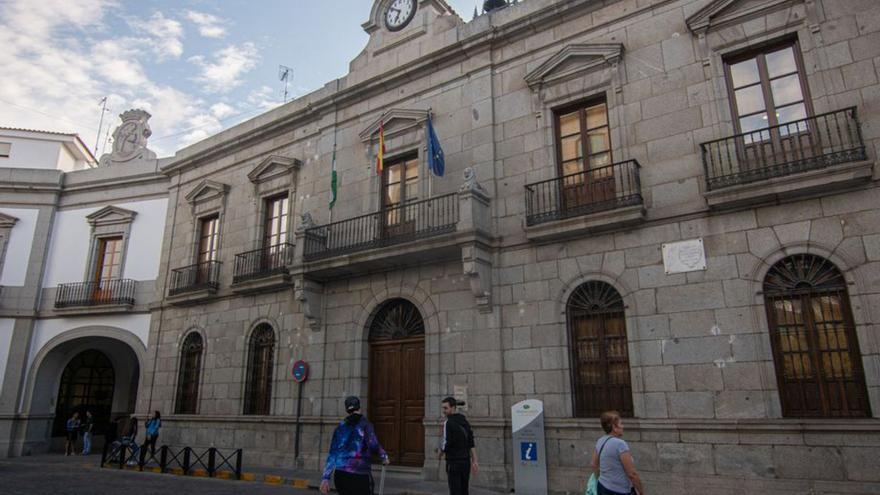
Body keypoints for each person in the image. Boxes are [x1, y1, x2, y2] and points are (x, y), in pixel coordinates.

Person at [320, 396, 389, 495]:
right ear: (359, 407)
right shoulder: (366, 425)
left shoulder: (340, 427)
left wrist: (325, 478)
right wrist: (384, 456)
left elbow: (332, 454)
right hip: (360, 474)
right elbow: (373, 445)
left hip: (341, 475)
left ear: (347, 410)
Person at [590, 410, 644, 495]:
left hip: (602, 487)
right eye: (621, 424)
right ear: (614, 427)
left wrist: (602, 478)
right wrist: (641, 492)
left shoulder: (600, 440)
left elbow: (594, 464)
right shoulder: (620, 444)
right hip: (619, 490)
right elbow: (632, 474)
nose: (623, 426)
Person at [440, 397, 478, 495]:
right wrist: (475, 460)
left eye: (445, 408)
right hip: (466, 462)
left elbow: (446, 443)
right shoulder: (464, 421)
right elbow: (471, 441)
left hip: (453, 462)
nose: (443, 411)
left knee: (455, 491)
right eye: (443, 408)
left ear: (453, 408)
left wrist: (441, 452)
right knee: (464, 490)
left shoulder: (448, 423)